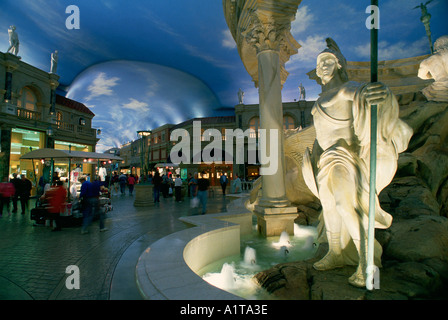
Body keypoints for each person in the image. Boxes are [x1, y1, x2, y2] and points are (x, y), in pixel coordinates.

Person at [301, 38, 412, 287]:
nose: (322, 67)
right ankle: (336, 253)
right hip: (325, 161)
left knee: (344, 204)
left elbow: (366, 93)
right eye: (319, 64)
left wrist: (379, 94)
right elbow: (320, 137)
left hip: (344, 158)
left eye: (327, 61)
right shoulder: (319, 101)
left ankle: (366, 262)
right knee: (329, 207)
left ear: (339, 64)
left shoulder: (346, 88)